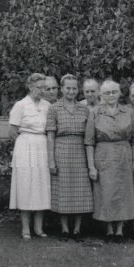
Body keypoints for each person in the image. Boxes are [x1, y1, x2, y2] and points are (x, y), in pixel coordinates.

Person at [84, 80, 134, 242]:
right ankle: (108, 229)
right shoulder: (95, 113)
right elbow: (89, 141)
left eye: (114, 92)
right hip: (103, 155)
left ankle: (120, 229)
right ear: (101, 95)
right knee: (106, 192)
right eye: (107, 93)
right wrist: (91, 167)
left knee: (123, 191)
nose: (111, 96)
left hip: (124, 155)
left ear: (120, 93)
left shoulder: (128, 112)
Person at [46, 74, 93, 241]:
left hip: (80, 151)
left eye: (74, 88)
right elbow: (50, 136)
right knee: (63, 189)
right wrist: (51, 160)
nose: (71, 91)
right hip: (61, 150)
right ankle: (65, 229)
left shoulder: (84, 109)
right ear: (62, 89)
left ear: (77, 89)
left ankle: (78, 229)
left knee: (80, 189)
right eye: (68, 88)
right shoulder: (54, 108)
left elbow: (89, 137)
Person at [8, 73, 51, 240]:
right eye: (39, 88)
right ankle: (25, 228)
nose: (42, 91)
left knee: (41, 185)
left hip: (42, 146)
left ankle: (38, 228)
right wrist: (25, 143)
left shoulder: (48, 105)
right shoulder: (20, 105)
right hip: (25, 146)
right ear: (30, 87)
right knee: (26, 185)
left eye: (44, 88)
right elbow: (12, 132)